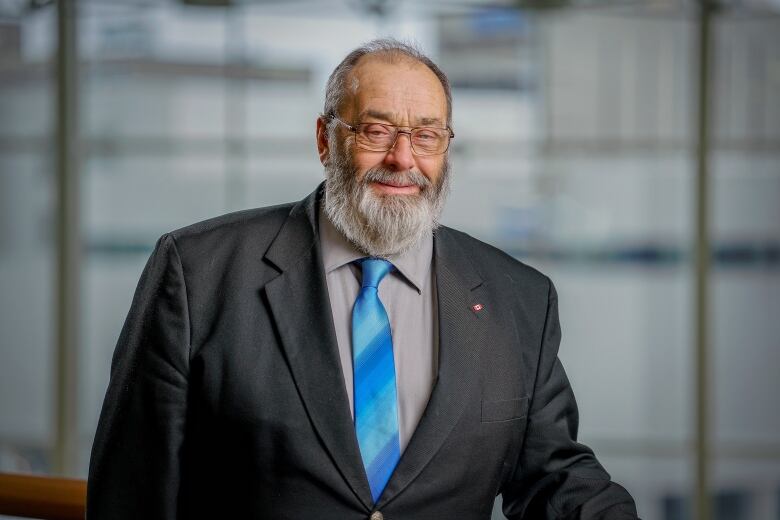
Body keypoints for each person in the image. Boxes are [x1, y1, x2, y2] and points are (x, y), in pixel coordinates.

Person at [87, 39, 638, 519]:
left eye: (426, 136)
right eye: (377, 130)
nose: (403, 158)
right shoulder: (198, 272)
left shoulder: (519, 298)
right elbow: (133, 490)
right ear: (326, 140)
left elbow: (552, 478)